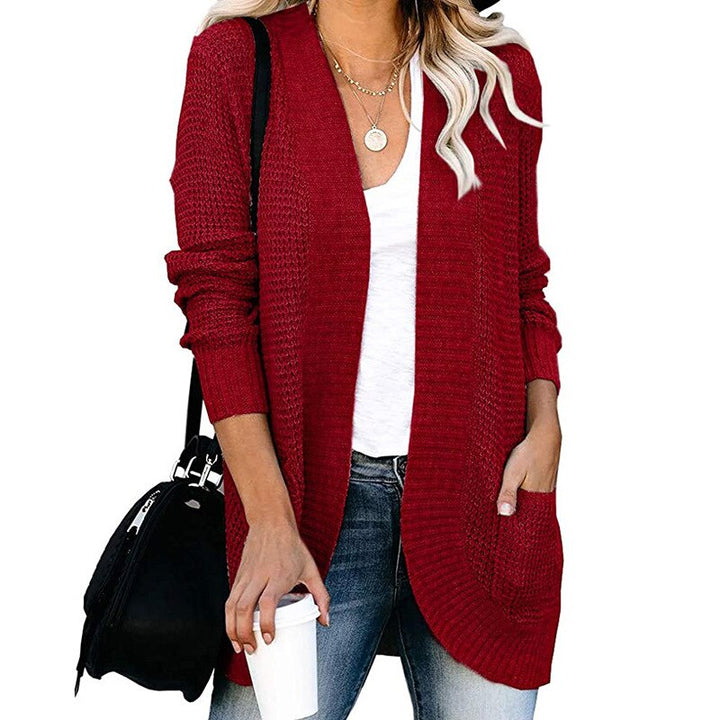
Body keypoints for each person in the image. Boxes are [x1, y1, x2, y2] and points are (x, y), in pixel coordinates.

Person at [165, 0, 564, 717]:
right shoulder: (237, 62)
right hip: (301, 510)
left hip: (483, 499)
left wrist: (546, 422)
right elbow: (216, 304)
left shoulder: (495, 71)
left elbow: (522, 279)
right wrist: (269, 517)